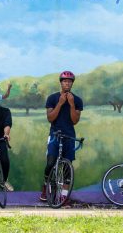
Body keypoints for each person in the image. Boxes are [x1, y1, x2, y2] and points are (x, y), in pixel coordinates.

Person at [39, 70, 83, 203]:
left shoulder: (77, 100)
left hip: (69, 135)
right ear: (61, 83)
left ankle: (64, 196)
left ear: (72, 83)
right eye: (65, 81)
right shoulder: (52, 98)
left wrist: (71, 104)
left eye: (69, 81)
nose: (67, 83)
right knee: (51, 162)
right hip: (54, 135)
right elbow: (50, 118)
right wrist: (60, 103)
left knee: (67, 167)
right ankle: (46, 188)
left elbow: (75, 120)